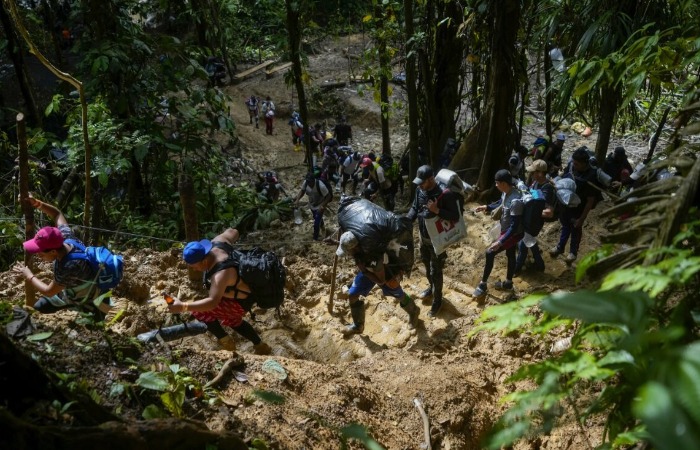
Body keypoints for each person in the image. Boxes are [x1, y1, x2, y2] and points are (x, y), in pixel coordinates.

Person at [167, 229, 271, 354]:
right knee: (234, 321)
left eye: (195, 267)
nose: (195, 270)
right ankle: (260, 345)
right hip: (238, 293)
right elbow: (234, 231)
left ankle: (226, 342)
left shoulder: (220, 275)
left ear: (204, 261)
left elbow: (212, 303)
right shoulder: (218, 242)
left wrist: (183, 306)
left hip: (241, 301)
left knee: (199, 311)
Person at [12, 197, 112, 319]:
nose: (38, 256)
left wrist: (29, 276)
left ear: (53, 251)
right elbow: (57, 214)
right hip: (70, 293)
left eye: (41, 253)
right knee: (40, 307)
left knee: (90, 331)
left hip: (94, 301)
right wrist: (38, 204)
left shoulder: (70, 266)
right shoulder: (66, 237)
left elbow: (49, 291)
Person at [336, 231, 419, 335]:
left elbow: (381, 280)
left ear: (354, 248)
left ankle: (414, 310)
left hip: (384, 275)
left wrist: (364, 271)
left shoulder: (373, 256)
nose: (347, 253)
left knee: (399, 296)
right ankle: (358, 326)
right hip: (368, 270)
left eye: (348, 250)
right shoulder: (358, 248)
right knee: (352, 294)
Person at [405, 165, 462, 317]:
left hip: (438, 241)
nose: (420, 185)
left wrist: (437, 211)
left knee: (435, 271)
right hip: (423, 239)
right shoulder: (419, 190)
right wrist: (406, 220)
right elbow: (415, 208)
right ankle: (431, 288)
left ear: (431, 179)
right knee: (425, 262)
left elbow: (455, 216)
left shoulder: (445, 194)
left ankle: (438, 300)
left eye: (422, 182)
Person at [473, 169, 524, 298]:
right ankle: (508, 283)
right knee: (510, 253)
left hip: (513, 233)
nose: (495, 185)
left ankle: (483, 285)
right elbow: (500, 203)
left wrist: (500, 241)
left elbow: (514, 226)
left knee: (490, 252)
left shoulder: (516, 201)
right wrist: (487, 207)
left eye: (497, 183)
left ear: (503, 183)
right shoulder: (506, 193)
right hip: (507, 230)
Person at [550, 147, 603, 263]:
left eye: (577, 164)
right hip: (566, 203)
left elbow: (590, 200)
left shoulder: (591, 177)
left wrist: (582, 219)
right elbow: (563, 178)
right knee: (565, 226)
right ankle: (560, 247)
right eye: (573, 162)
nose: (574, 165)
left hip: (579, 207)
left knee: (575, 228)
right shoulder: (571, 166)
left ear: (585, 163)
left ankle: (573, 252)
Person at [514, 160, 555, 274]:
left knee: (523, 245)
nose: (531, 174)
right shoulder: (535, 182)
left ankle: (515, 270)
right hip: (528, 219)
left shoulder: (547, 188)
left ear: (541, 173)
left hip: (534, 222)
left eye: (534, 172)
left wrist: (533, 212)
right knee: (529, 241)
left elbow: (549, 212)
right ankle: (540, 266)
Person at [293, 173, 332, 241]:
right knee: (316, 217)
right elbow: (302, 191)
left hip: (320, 204)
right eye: (308, 181)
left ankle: (315, 238)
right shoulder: (306, 183)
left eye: (310, 182)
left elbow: (328, 196)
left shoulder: (320, 186)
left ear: (314, 180)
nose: (309, 183)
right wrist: (297, 199)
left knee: (316, 223)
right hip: (312, 204)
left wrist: (322, 205)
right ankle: (322, 226)